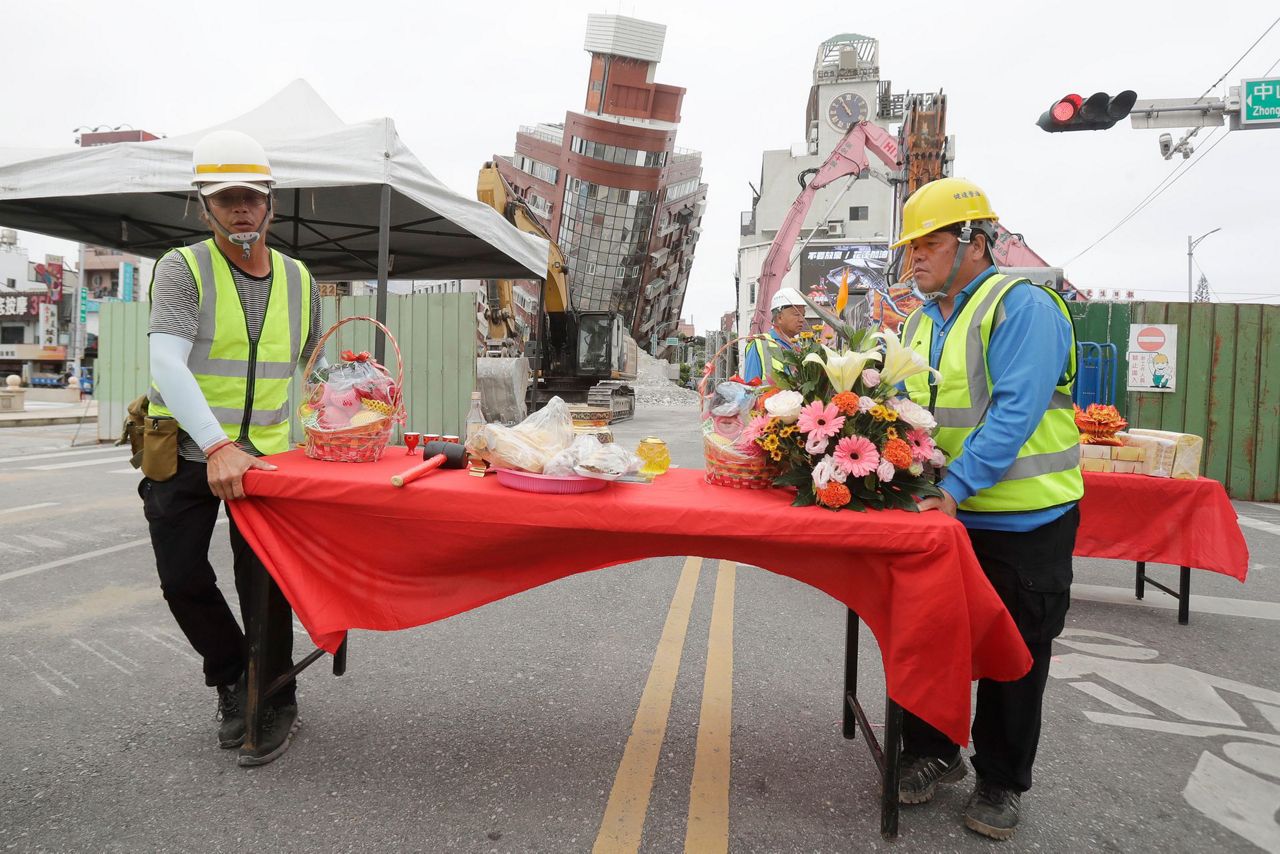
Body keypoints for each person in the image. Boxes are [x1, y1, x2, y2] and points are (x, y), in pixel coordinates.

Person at [892, 177, 1083, 841]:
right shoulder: (918, 322)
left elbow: (1014, 412)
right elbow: (908, 416)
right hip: (946, 518)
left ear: (976, 243)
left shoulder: (1023, 306)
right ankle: (933, 753)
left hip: (1025, 519)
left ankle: (1001, 780)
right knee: (931, 638)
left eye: (931, 243)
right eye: (912, 247)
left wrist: (953, 488)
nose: (916, 258)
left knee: (1016, 654)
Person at [141, 129, 323, 767]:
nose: (241, 209)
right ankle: (233, 678)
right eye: (226, 200)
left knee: (264, 585)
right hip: (189, 453)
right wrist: (217, 443)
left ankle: (277, 695)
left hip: (267, 458)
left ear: (270, 202)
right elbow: (167, 363)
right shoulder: (182, 269)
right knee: (182, 577)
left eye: (251, 196)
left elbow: (312, 369)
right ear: (203, 206)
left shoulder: (301, 280)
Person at [742, 286, 807, 383]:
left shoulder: (801, 348)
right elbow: (750, 389)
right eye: (797, 315)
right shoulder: (760, 344)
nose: (802, 319)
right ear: (780, 317)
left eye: (803, 315)